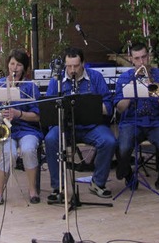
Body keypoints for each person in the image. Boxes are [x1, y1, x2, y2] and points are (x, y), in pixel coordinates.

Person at [44, 47, 117, 201]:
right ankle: (58, 187)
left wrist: (92, 106)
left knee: (109, 141)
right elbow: (49, 108)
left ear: (83, 63)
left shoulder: (95, 77)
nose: (72, 70)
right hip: (65, 127)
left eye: (76, 66)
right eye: (68, 66)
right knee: (50, 139)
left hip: (91, 126)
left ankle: (98, 182)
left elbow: (109, 105)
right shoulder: (56, 81)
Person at [0, 48, 42, 205]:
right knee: (9, 154)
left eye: (19, 65)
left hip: (28, 129)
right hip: (6, 129)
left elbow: (37, 116)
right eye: (12, 63)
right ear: (8, 64)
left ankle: (32, 190)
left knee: (28, 150)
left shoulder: (30, 87)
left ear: (24, 68)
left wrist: (18, 114)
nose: (14, 68)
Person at [114, 42, 159, 190]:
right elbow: (120, 109)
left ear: (149, 57)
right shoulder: (125, 78)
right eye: (137, 59)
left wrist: (152, 85)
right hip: (132, 122)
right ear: (131, 59)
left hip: (156, 122)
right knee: (122, 148)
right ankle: (128, 174)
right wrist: (131, 91)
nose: (141, 62)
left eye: (144, 57)